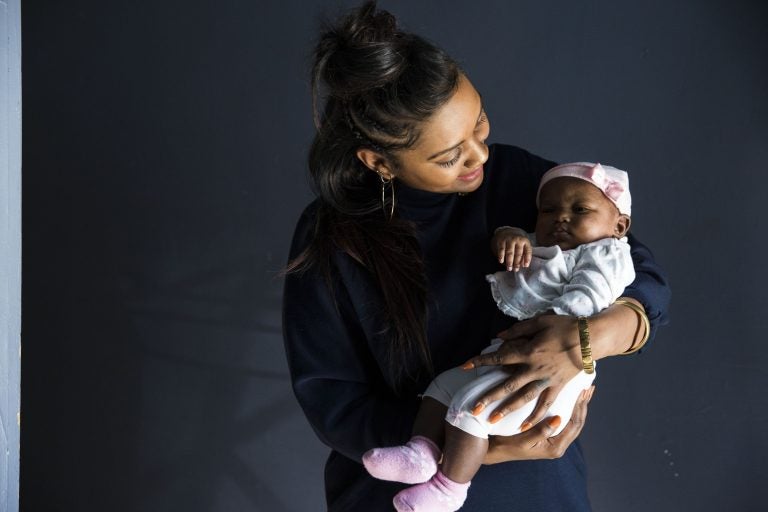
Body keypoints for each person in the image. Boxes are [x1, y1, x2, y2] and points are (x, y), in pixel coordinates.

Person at [282, 2, 670, 510]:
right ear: (378, 162)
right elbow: (331, 399)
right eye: (450, 156)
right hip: (396, 492)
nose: (480, 156)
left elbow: (637, 273)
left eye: (479, 125)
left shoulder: (521, 181)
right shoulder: (331, 238)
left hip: (537, 490)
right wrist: (479, 444)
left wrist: (588, 338)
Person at [361, 162, 637, 511]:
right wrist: (506, 236)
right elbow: (520, 241)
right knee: (444, 386)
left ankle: (448, 490)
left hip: (556, 367)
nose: (561, 218)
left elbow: (591, 292)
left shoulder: (606, 253)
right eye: (549, 210)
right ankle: (423, 452)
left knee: (471, 409)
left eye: (579, 210)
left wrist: (561, 326)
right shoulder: (549, 245)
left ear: (619, 225)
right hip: (510, 352)